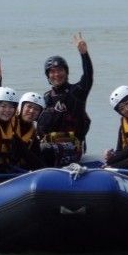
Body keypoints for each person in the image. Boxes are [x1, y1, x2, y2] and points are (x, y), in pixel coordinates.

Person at [37, 32, 93, 165]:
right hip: (48, 145)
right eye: (52, 71)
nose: (56, 74)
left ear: (66, 72)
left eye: (60, 70)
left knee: (45, 151)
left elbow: (88, 77)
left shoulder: (77, 92)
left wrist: (84, 54)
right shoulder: (45, 98)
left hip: (73, 147)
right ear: (48, 76)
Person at [0, 57, 45, 170]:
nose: (32, 111)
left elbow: (35, 158)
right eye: (29, 107)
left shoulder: (33, 134)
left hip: (15, 168)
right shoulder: (8, 119)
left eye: (36, 109)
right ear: (20, 107)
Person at [103, 85, 128, 164]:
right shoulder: (123, 127)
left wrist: (113, 165)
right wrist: (112, 155)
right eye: (122, 108)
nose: (127, 109)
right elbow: (120, 150)